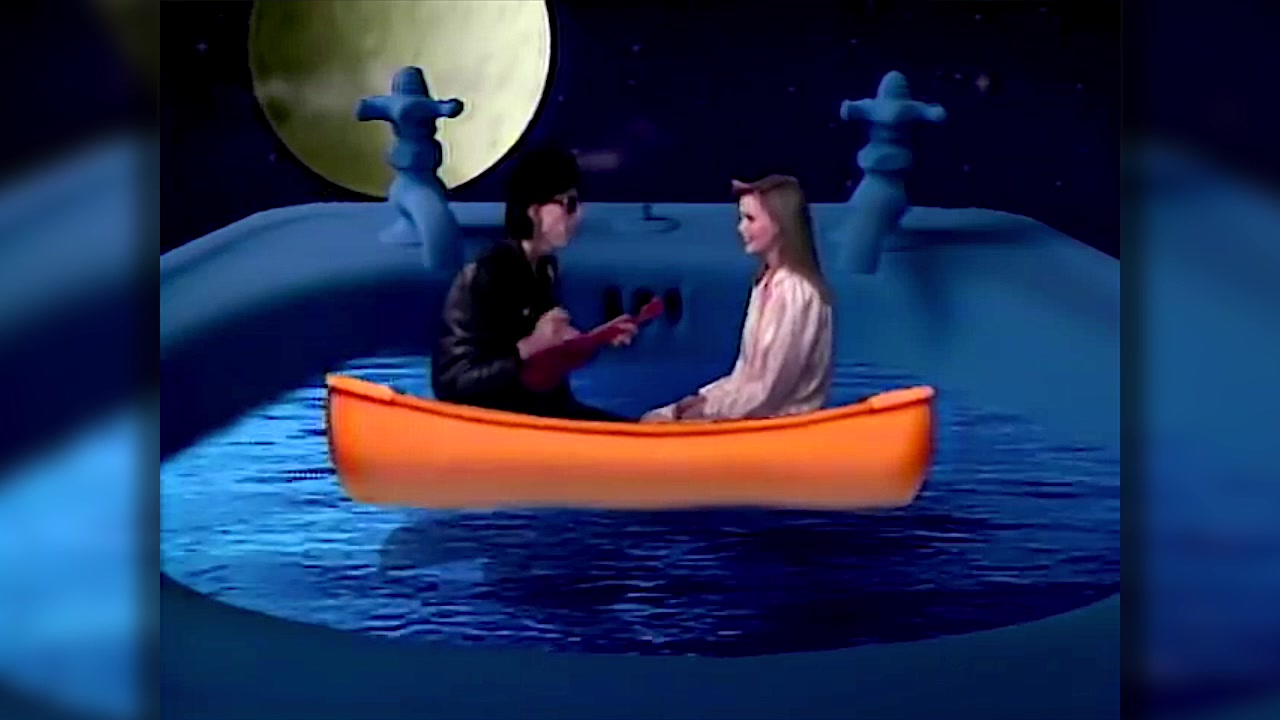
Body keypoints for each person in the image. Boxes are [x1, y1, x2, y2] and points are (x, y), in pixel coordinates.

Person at [431, 145, 636, 420]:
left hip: (544, 413)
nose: (579, 215)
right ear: (535, 211)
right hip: (502, 424)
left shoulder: (544, 269)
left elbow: (544, 361)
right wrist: (528, 347)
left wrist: (595, 339)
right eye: (569, 204)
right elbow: (452, 383)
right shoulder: (484, 276)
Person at [642, 175, 834, 422]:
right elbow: (745, 376)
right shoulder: (765, 282)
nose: (741, 228)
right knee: (655, 417)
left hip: (777, 423)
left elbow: (771, 392)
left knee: (663, 425)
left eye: (750, 219)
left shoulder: (797, 294)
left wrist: (709, 411)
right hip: (751, 413)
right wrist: (704, 398)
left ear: (780, 223)